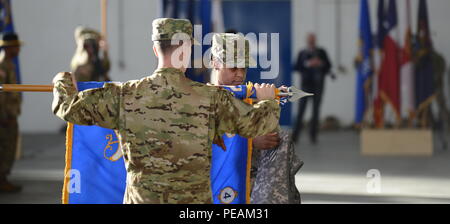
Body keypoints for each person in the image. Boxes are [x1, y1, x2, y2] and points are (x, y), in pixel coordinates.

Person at [52, 18, 281, 204]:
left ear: (155, 49)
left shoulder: (122, 95)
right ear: (188, 50)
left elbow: (68, 109)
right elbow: (256, 124)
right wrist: (267, 100)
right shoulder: (212, 98)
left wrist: (62, 80)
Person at [210, 33, 302, 204]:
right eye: (233, 68)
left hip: (252, 192)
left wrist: (266, 104)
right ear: (215, 63)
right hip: (214, 191)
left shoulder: (254, 100)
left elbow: (274, 146)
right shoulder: (201, 100)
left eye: (243, 68)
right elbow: (196, 142)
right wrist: (250, 141)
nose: (239, 75)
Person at [293, 33, 332, 144]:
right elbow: (296, 66)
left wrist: (320, 63)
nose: (311, 42)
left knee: (315, 112)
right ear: (307, 41)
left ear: (315, 41)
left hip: (318, 86)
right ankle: (295, 136)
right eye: (309, 40)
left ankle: (313, 136)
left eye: (313, 40)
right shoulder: (302, 53)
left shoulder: (321, 52)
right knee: (301, 111)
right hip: (305, 86)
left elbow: (328, 65)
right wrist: (308, 63)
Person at [0, 33, 23, 193]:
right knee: (5, 147)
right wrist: (4, 116)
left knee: (10, 146)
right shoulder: (3, 65)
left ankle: (4, 178)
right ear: (9, 47)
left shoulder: (9, 63)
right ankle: (1, 179)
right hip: (5, 116)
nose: (18, 49)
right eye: (16, 46)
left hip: (10, 113)